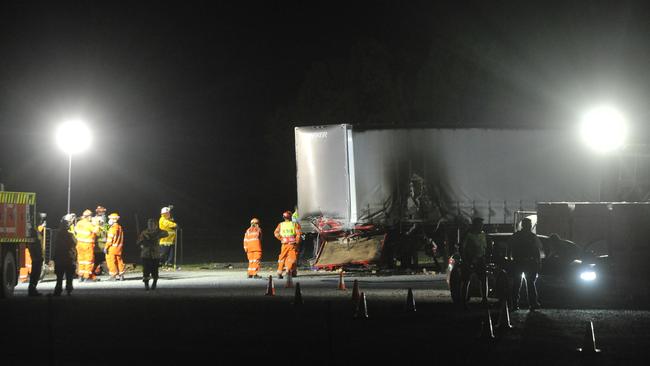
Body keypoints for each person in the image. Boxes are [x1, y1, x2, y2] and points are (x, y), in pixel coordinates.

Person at [508, 217, 543, 311]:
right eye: (530, 224)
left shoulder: (516, 235)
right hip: (528, 262)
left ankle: (515, 304)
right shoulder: (532, 236)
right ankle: (532, 303)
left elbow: (509, 248)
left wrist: (509, 260)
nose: (530, 226)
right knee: (530, 283)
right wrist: (538, 262)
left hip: (519, 262)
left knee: (517, 283)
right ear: (528, 225)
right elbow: (537, 250)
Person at [461, 216, 488, 307]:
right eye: (479, 224)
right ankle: (463, 300)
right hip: (470, 260)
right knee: (466, 280)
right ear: (475, 225)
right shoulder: (468, 235)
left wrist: (485, 256)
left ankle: (484, 299)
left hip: (480, 259)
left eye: (482, 225)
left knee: (483, 280)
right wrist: (465, 260)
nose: (481, 226)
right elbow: (463, 248)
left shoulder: (483, 234)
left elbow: (485, 247)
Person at [138, 218, 168, 290]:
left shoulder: (158, 232)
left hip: (155, 254)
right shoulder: (144, 232)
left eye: (152, 224)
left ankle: (154, 282)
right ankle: (146, 285)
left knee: (155, 270)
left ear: (155, 225)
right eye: (149, 224)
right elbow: (139, 241)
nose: (150, 226)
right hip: (146, 254)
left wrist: (157, 235)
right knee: (146, 271)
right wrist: (142, 242)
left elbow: (166, 233)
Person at [53, 215, 77, 296]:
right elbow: (74, 243)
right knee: (69, 276)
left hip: (60, 259)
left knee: (59, 277)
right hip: (68, 258)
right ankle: (69, 289)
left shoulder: (58, 235)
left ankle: (58, 290)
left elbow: (56, 246)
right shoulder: (70, 235)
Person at [274, 211, 301, 279]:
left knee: (282, 257)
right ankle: (287, 271)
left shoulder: (281, 224)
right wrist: (297, 241)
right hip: (292, 244)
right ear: (291, 217)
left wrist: (282, 239)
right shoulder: (294, 224)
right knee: (291, 258)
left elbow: (276, 233)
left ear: (284, 217)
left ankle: (279, 272)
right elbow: (298, 234)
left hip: (284, 244)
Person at [74, 209, 100, 282]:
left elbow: (75, 230)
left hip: (79, 245)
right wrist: (97, 224)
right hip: (87, 245)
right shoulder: (89, 224)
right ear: (88, 217)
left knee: (81, 261)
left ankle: (81, 277)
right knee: (89, 261)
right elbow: (96, 231)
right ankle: (87, 277)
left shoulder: (79, 223)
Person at [105, 213, 125, 281]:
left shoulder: (112, 229)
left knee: (111, 261)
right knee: (119, 261)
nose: (109, 220)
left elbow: (109, 240)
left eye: (110, 219)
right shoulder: (119, 227)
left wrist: (106, 247)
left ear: (113, 219)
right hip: (119, 248)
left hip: (112, 248)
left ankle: (113, 275)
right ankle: (121, 275)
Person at [91, 205, 109, 277]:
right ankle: (93, 272)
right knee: (98, 259)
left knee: (103, 259)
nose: (101, 212)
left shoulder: (105, 219)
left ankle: (108, 272)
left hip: (101, 243)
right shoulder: (94, 219)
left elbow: (106, 230)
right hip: (98, 243)